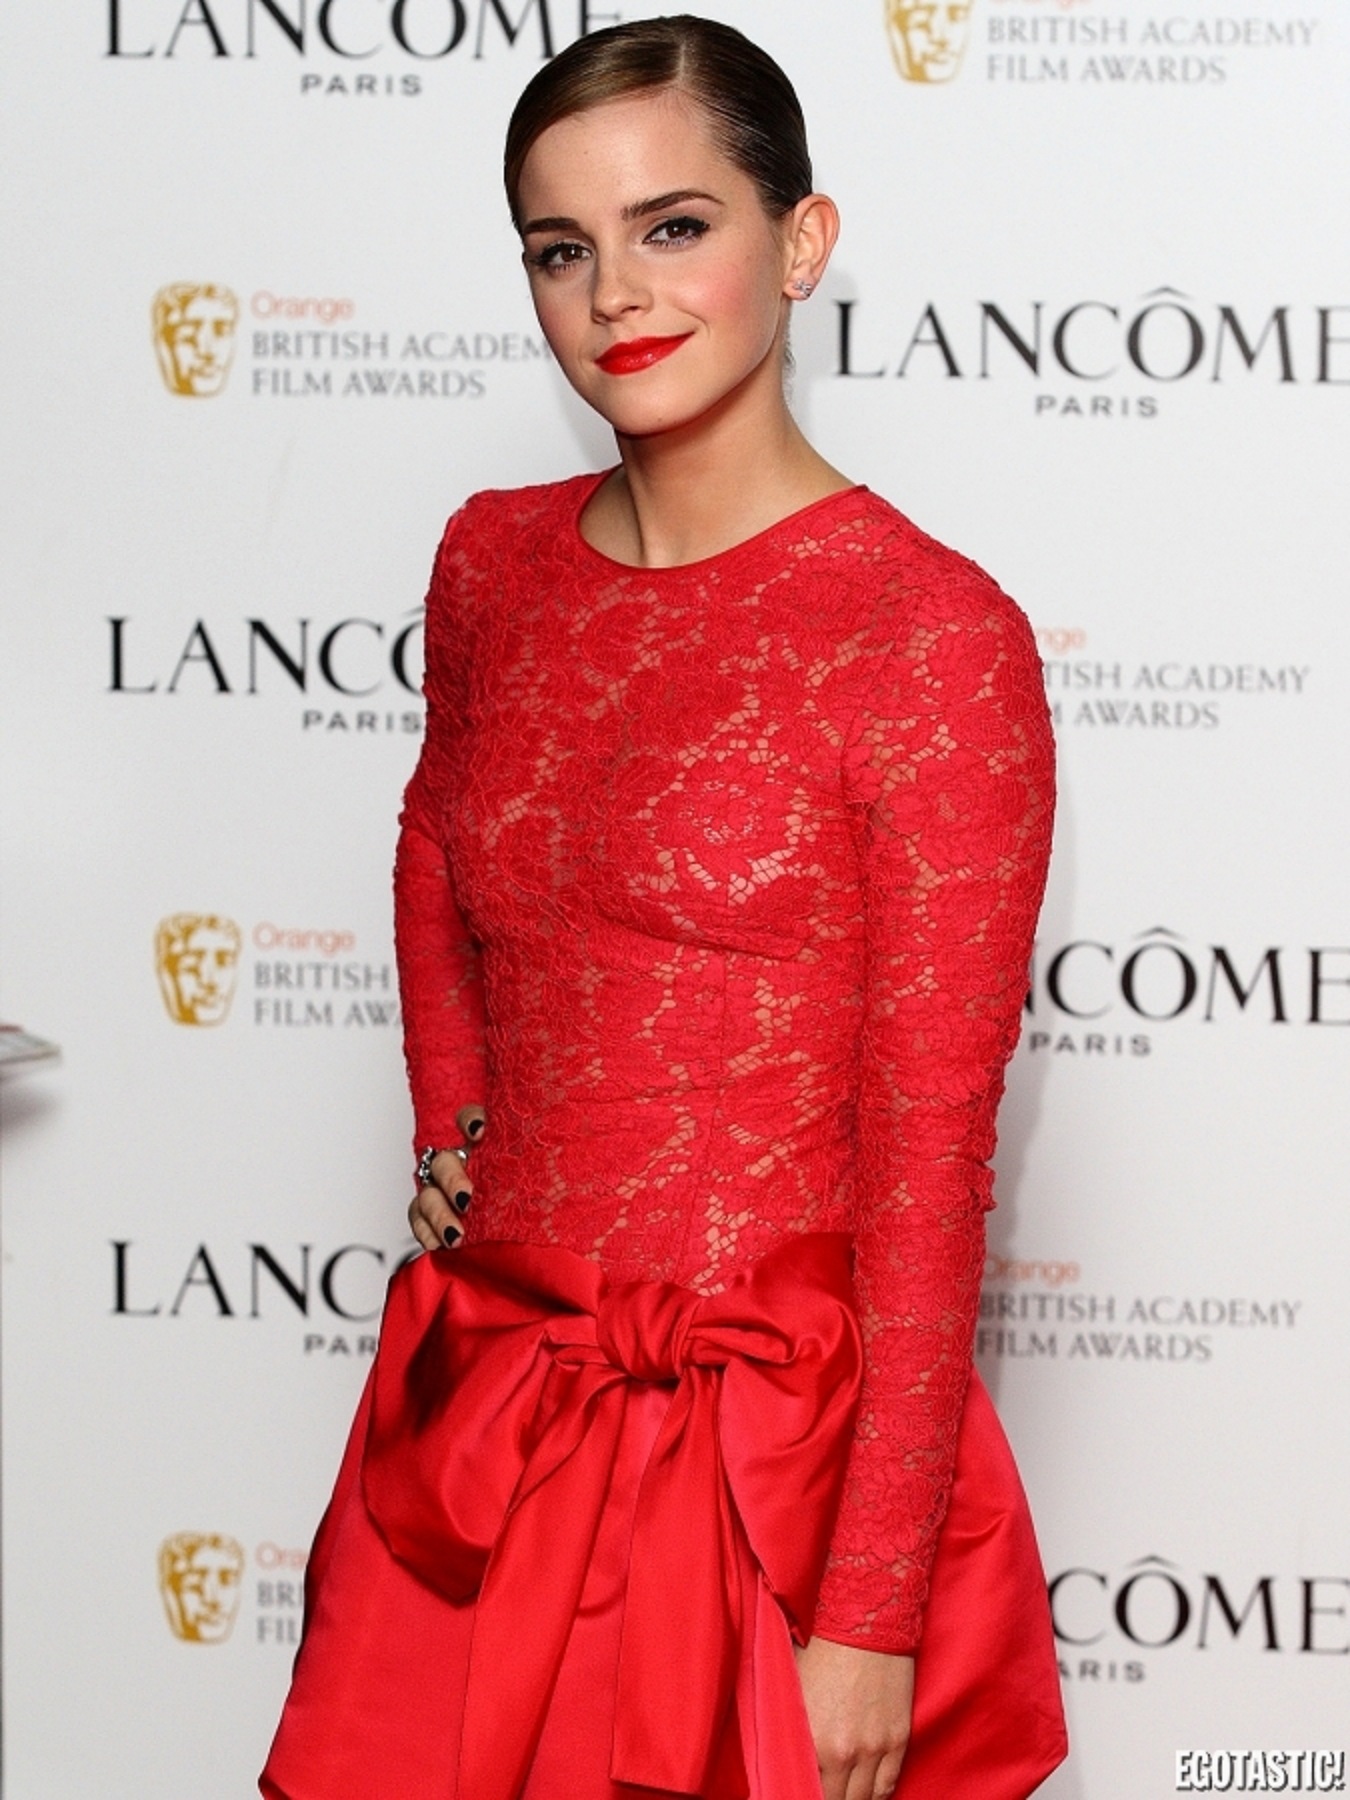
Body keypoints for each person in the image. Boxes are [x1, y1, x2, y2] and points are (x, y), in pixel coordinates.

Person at [262, 17, 1066, 1800]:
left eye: (673, 227)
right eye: (561, 248)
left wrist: (870, 1617)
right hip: (484, 1414)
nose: (614, 294)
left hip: (766, 1474)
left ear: (800, 239)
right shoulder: (489, 559)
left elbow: (929, 1157)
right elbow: (439, 843)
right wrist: (454, 1127)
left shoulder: (930, 640)